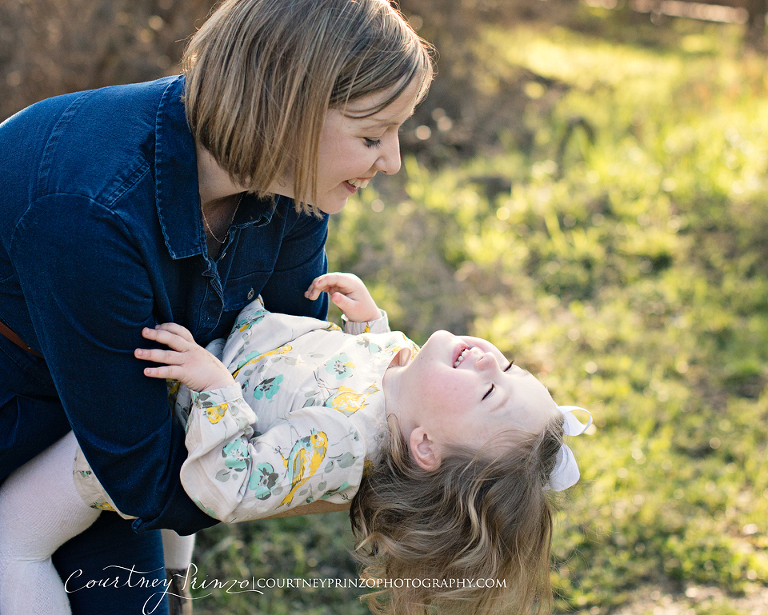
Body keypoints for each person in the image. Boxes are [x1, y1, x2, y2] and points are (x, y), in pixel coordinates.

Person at [0, 0, 433, 613]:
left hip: (118, 423)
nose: (391, 161)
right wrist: (325, 478)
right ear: (286, 112)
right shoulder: (90, 207)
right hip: (24, 407)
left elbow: (271, 373)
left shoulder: (291, 185)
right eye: (371, 135)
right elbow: (146, 476)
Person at [0, 273, 592, 615]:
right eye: (510, 368)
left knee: (12, 540)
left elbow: (230, 484)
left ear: (425, 448)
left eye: (489, 394)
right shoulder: (404, 383)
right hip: (182, 392)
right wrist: (366, 326)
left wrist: (214, 385)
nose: (490, 361)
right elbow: (353, 377)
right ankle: (174, 593)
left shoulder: (338, 445)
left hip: (124, 450)